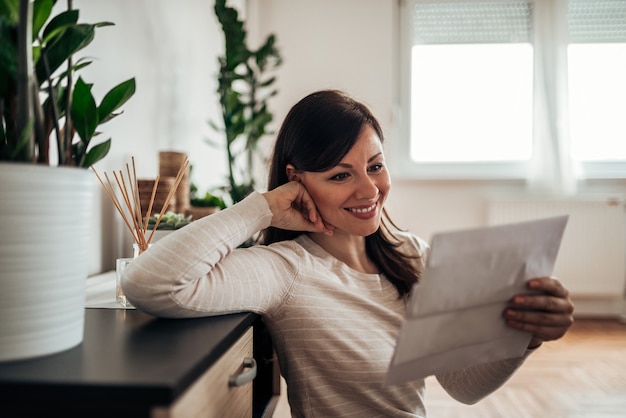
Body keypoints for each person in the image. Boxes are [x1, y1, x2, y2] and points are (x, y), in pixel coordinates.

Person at [122, 89, 575, 417]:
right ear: (296, 180)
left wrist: (525, 336)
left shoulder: (413, 256)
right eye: (340, 176)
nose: (369, 189)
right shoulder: (286, 272)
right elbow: (149, 282)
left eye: (375, 166)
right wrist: (264, 207)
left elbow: (463, 387)